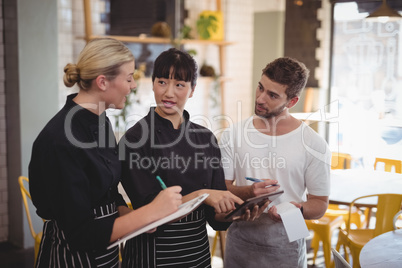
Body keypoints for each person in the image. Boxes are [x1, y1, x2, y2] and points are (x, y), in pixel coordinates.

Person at [28, 38, 183, 268]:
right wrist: (149, 212)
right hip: (73, 257)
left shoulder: (101, 121)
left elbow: (108, 191)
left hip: (106, 252)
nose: (133, 86)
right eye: (129, 78)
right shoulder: (60, 141)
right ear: (102, 82)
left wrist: (130, 217)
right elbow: (80, 234)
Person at [119, 48, 272, 267]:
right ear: (152, 83)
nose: (169, 93)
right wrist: (203, 194)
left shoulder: (205, 138)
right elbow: (149, 214)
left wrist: (235, 213)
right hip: (152, 253)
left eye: (179, 85)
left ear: (192, 90)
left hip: (196, 254)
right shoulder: (134, 140)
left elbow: (214, 216)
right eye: (162, 82)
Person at [219, 57, 331, 267]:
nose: (260, 98)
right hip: (240, 243)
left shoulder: (314, 144)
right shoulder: (233, 134)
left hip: (287, 244)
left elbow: (319, 203)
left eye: (272, 95)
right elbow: (222, 189)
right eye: (260, 88)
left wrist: (295, 209)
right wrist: (249, 193)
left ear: (292, 102)